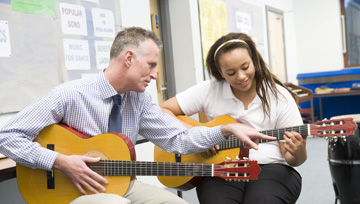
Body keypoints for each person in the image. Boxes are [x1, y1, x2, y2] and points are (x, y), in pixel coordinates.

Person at [0, 27, 274, 204]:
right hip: (76, 191)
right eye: (151, 65)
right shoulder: (69, 94)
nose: (156, 75)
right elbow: (8, 136)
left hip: (122, 186)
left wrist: (226, 131)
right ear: (129, 58)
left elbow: (179, 139)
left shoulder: (140, 100)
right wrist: (60, 161)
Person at [160, 32, 307, 204]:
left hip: (272, 167)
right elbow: (161, 110)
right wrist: (197, 135)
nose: (241, 77)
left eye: (245, 67)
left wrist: (299, 152)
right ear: (221, 73)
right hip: (221, 168)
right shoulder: (209, 90)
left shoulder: (279, 96)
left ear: (254, 61)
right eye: (231, 73)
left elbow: (292, 159)